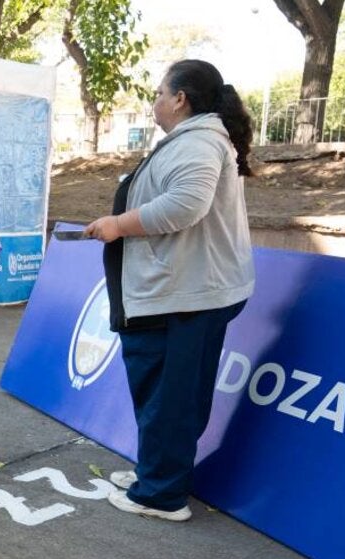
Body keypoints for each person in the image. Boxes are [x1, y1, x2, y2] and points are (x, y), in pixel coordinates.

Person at [82, 59, 256, 522]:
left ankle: (161, 495)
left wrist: (118, 224)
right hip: (185, 291)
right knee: (166, 392)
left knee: (170, 397)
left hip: (187, 295)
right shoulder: (196, 140)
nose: (154, 101)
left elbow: (185, 204)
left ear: (180, 99)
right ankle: (159, 473)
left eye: (160, 92)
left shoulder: (199, 141)